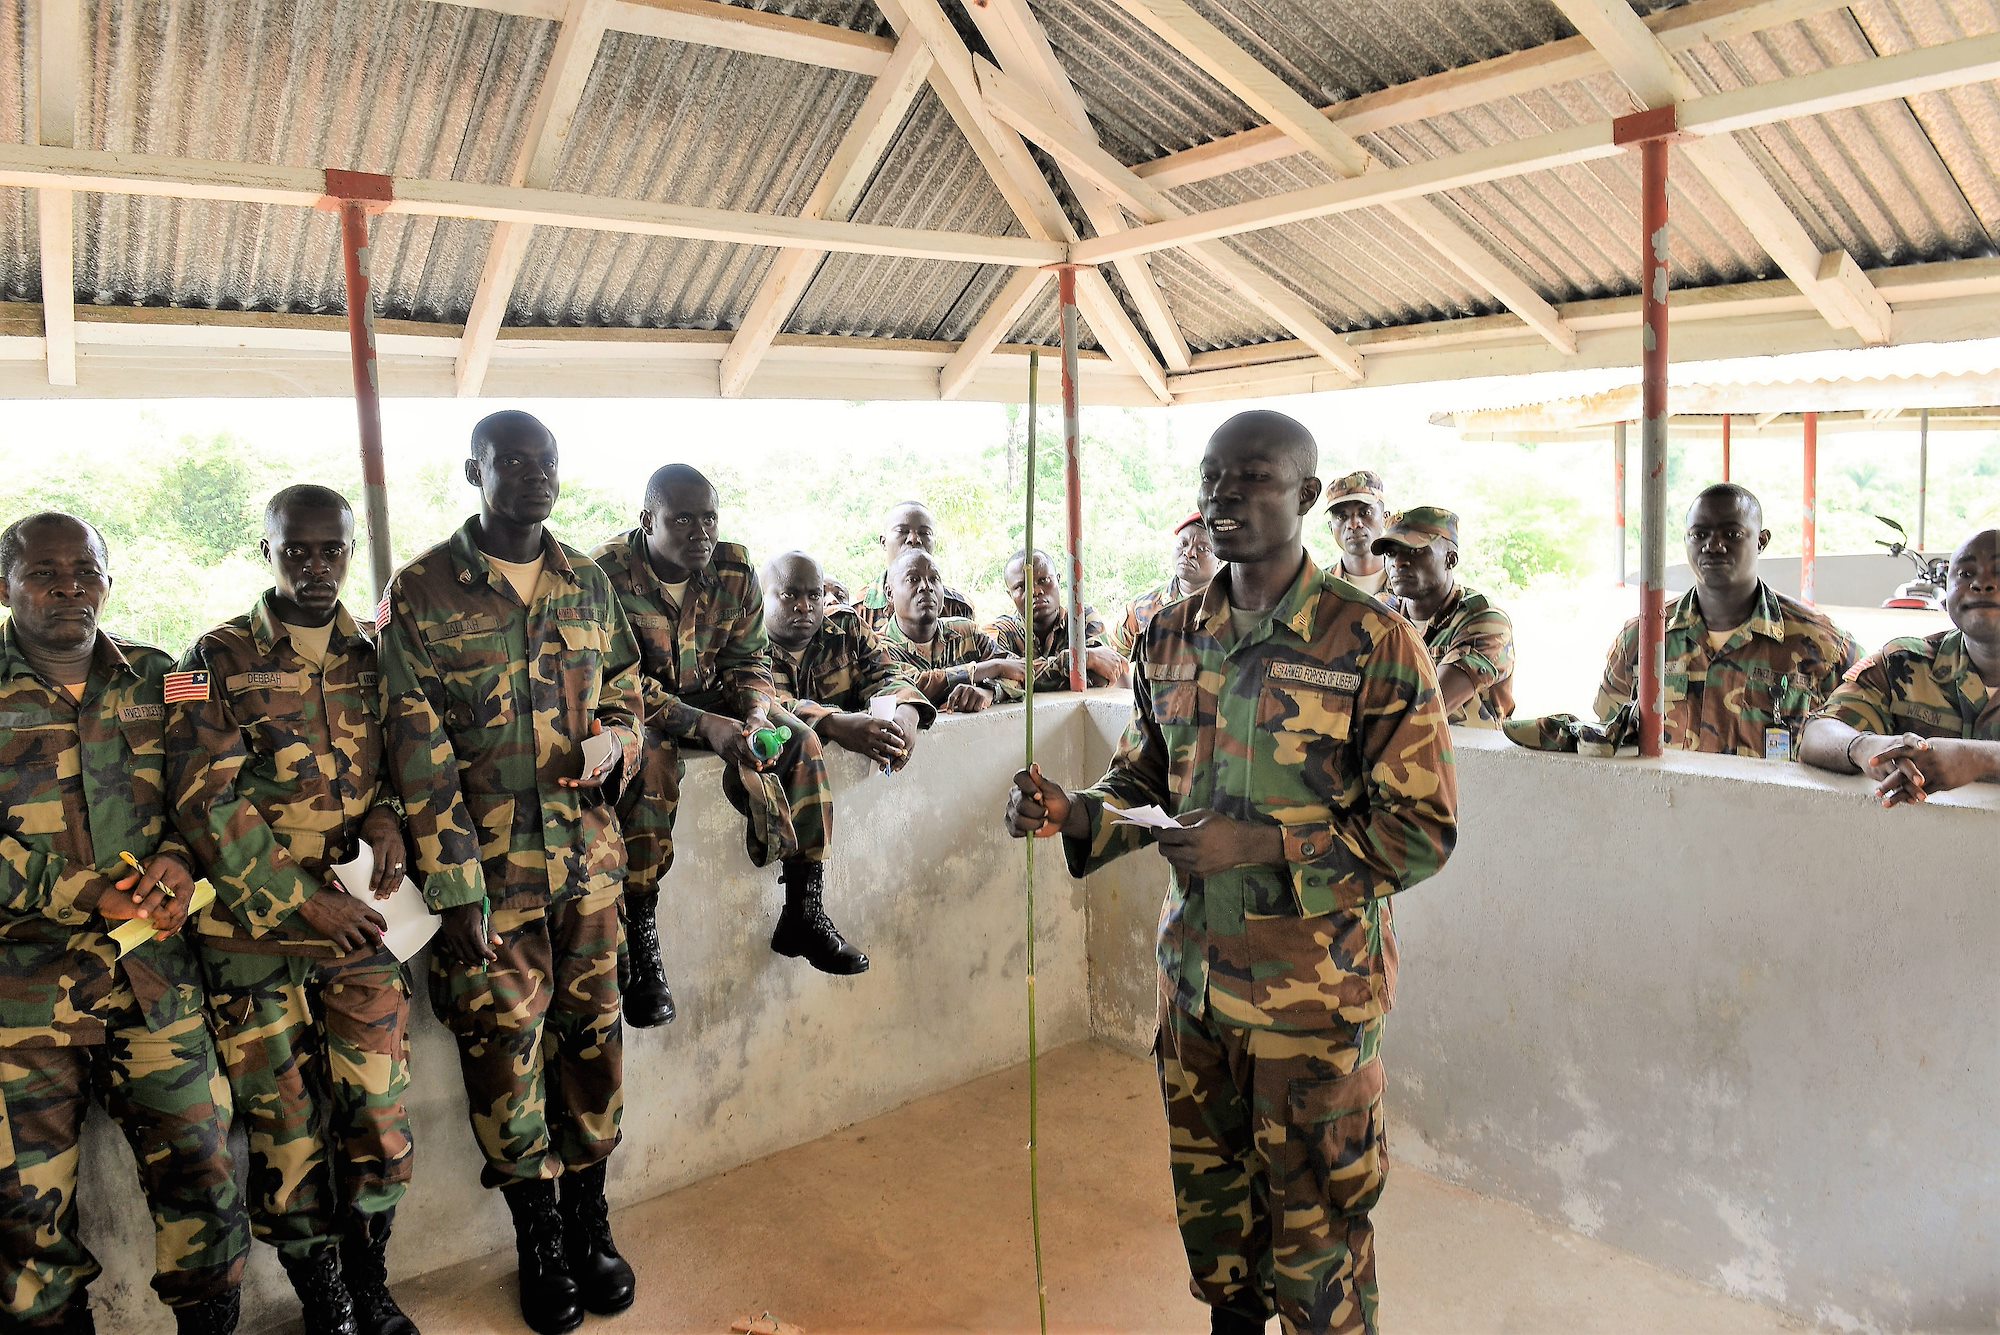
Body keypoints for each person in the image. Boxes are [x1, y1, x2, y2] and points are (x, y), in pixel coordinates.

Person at [1006, 411, 1457, 1335]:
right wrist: (1075, 810)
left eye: (1252, 477)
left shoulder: (1371, 640)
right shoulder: (1170, 633)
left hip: (1314, 1006)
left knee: (1319, 1244)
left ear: (1306, 494)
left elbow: (1422, 829)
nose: (1224, 495)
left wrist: (1260, 845)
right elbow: (1146, 775)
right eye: (1213, 477)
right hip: (1197, 991)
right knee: (1219, 1241)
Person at [377, 411, 642, 1335]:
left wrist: (620, 734)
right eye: (514, 462)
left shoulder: (589, 583)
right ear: (474, 472)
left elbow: (626, 689)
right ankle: (538, 1238)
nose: (535, 476)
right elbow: (417, 756)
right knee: (503, 1058)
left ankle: (589, 1223)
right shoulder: (420, 594)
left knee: (595, 1040)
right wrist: (453, 892)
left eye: (548, 462)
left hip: (590, 873)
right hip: (488, 889)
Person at [166, 486, 416, 1335]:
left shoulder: (375, 651)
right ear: (264, 548)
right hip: (255, 942)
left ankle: (372, 1279)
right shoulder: (213, 656)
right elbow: (201, 801)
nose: (315, 566)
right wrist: (298, 899)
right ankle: (328, 1302)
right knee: (287, 1131)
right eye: (295, 549)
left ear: (351, 549)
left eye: (331, 549)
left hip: (360, 931)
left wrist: (385, 813)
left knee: (380, 1115)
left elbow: (393, 762)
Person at [0, 512, 249, 1335]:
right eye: (43, 570)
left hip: (155, 985)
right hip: (25, 999)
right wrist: (83, 893)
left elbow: (212, 783)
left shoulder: (165, 675)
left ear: (110, 579)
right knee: (22, 1219)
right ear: (4, 583)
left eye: (86, 568)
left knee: (207, 1178)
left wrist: (184, 854)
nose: (69, 584)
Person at [595, 465, 862, 986]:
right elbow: (615, 680)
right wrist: (706, 726)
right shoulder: (605, 574)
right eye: (684, 519)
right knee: (649, 768)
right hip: (633, 707)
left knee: (801, 740)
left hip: (715, 693)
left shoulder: (734, 569)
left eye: (710, 518)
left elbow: (749, 661)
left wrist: (757, 710)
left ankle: (803, 910)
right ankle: (641, 938)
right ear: (648, 519)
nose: (702, 532)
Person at [1594, 484, 1859, 757]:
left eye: (1732, 534)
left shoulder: (1824, 644)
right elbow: (1607, 739)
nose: (1713, 545)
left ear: (1761, 540)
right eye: (1699, 534)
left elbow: (1859, 744)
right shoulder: (1643, 638)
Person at [1801, 529, 2000, 802]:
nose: (1982, 584)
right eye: (1965, 574)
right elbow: (1817, 732)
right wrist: (1866, 747)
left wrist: (1979, 759)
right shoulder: (1903, 661)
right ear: (1946, 595)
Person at [1375, 507, 1516, 729]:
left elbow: (1429, 705)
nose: (1398, 562)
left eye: (1415, 551)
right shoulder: (1382, 613)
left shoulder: (1484, 620)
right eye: (1391, 553)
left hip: (1472, 757)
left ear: (1450, 559)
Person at [877, 548, 1021, 713]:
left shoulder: (966, 632)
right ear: (889, 592)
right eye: (913, 579)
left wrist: (989, 691)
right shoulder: (878, 647)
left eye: (934, 579)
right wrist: (989, 668)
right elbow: (913, 686)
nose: (926, 586)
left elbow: (1019, 671)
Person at [990, 549, 1125, 690]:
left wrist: (1020, 680)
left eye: (1044, 580)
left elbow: (1100, 675)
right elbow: (997, 677)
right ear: (1010, 594)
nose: (1035, 591)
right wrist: (1080, 660)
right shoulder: (1001, 631)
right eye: (1021, 586)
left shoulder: (1081, 618)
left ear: (1058, 580)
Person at [853, 501, 975, 631]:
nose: (914, 539)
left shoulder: (957, 607)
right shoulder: (858, 611)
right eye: (902, 531)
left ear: (935, 543)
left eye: (924, 533)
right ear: (883, 542)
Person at [1115, 514, 1218, 657]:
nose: (1189, 553)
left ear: (1220, 560)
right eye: (1183, 543)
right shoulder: (1142, 607)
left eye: (1202, 549)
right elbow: (1113, 661)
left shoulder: (1232, 607)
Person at [1323, 470, 1390, 597]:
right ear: (1331, 528)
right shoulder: (1318, 588)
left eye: (1364, 513)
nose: (1353, 525)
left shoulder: (1410, 583)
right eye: (1342, 516)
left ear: (1385, 518)